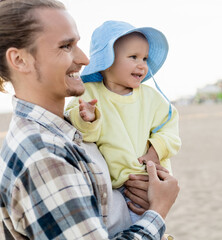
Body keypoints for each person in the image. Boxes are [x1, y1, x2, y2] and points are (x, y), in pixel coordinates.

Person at [0, 0, 179, 239]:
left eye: (78, 44)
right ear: (20, 60)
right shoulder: (43, 157)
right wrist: (158, 210)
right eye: (66, 46)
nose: (85, 59)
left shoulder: (63, 127)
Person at [65, 21, 181, 223]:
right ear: (107, 60)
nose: (142, 65)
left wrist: (154, 153)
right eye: (133, 57)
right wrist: (88, 119)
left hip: (149, 179)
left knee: (151, 225)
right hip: (116, 188)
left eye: (145, 58)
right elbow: (85, 134)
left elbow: (169, 128)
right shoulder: (89, 92)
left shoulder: (150, 98)